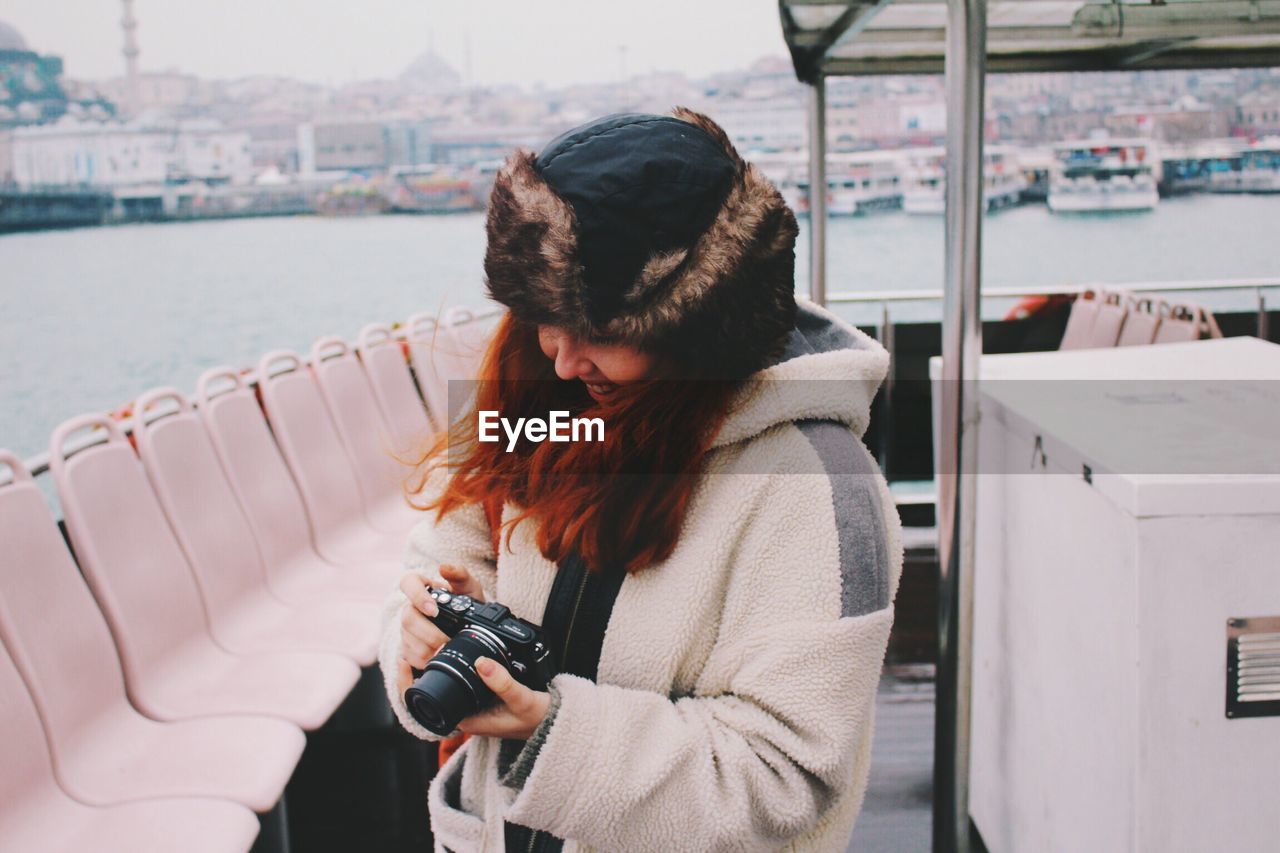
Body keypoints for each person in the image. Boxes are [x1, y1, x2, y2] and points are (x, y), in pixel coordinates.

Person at [379, 108, 903, 852]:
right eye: (542, 318)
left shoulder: (817, 485)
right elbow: (435, 558)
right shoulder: (547, 399)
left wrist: (549, 727)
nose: (561, 358)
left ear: (700, 326)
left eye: (600, 330)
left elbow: (784, 773)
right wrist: (425, 633)